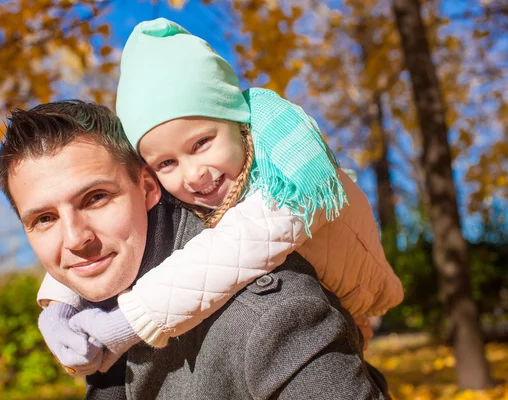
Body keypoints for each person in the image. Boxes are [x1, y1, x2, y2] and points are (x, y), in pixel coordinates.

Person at [37, 17, 404, 372]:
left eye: (202, 143)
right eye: (166, 163)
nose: (194, 174)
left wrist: (126, 322)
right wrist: (60, 302)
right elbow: (121, 217)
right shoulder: (194, 183)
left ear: (234, 118)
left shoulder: (290, 164)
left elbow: (234, 250)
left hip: (359, 298)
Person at [0, 99, 390, 399]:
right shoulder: (95, 312)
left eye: (96, 198)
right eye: (44, 219)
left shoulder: (269, 316)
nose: (75, 239)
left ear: (149, 187)